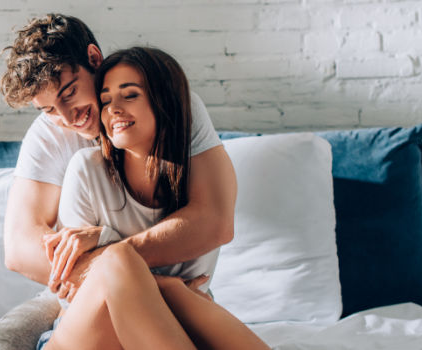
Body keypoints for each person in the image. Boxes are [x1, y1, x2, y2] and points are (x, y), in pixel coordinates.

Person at [37, 46, 269, 350]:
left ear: (164, 102)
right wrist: (170, 287)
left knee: (128, 266)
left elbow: (219, 226)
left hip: (172, 323)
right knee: (118, 260)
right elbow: (73, 287)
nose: (113, 109)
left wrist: (112, 250)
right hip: (86, 333)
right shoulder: (86, 169)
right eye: (105, 100)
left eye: (129, 95)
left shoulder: (199, 176)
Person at [0, 13, 236, 303]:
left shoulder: (175, 109)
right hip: (83, 296)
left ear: (94, 59)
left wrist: (117, 263)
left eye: (70, 92)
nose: (66, 117)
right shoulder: (48, 137)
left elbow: (215, 221)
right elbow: (19, 247)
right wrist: (156, 287)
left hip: (179, 297)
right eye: (48, 109)